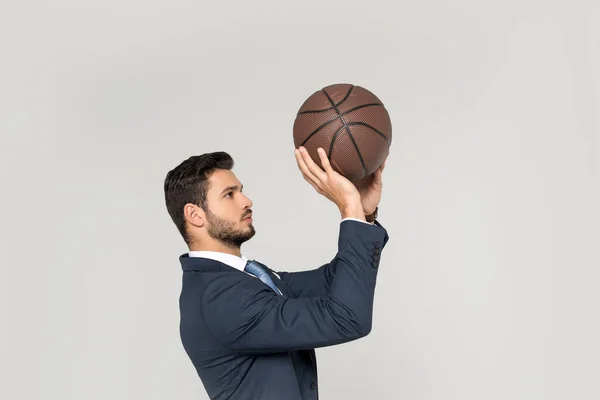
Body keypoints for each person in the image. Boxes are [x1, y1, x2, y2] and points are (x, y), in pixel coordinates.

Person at [163, 146, 390, 400]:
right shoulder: (220, 297)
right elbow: (346, 317)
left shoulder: (244, 278)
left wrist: (362, 213)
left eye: (241, 190)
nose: (247, 201)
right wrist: (348, 207)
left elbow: (331, 281)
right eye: (229, 194)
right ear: (195, 214)